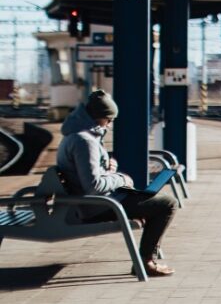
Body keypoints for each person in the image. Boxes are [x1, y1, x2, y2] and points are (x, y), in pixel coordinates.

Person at [56, 90, 178, 277]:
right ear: (99, 117)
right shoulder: (84, 141)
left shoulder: (79, 135)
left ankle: (146, 259)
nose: (110, 124)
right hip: (94, 206)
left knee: (155, 200)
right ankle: (145, 262)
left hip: (93, 202)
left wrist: (109, 170)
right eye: (109, 119)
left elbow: (88, 176)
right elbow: (93, 186)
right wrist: (121, 178)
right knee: (167, 204)